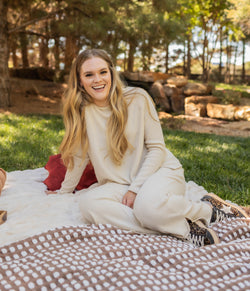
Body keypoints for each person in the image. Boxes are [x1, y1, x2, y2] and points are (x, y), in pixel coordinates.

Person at [46, 48, 248, 247]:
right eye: (89, 75)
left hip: (158, 171)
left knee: (147, 208)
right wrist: (64, 192)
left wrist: (135, 189)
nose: (97, 80)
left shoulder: (137, 98)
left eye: (103, 72)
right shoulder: (81, 111)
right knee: (89, 205)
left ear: (111, 73)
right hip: (119, 183)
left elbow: (157, 148)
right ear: (80, 80)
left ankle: (208, 211)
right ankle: (174, 226)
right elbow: (79, 157)